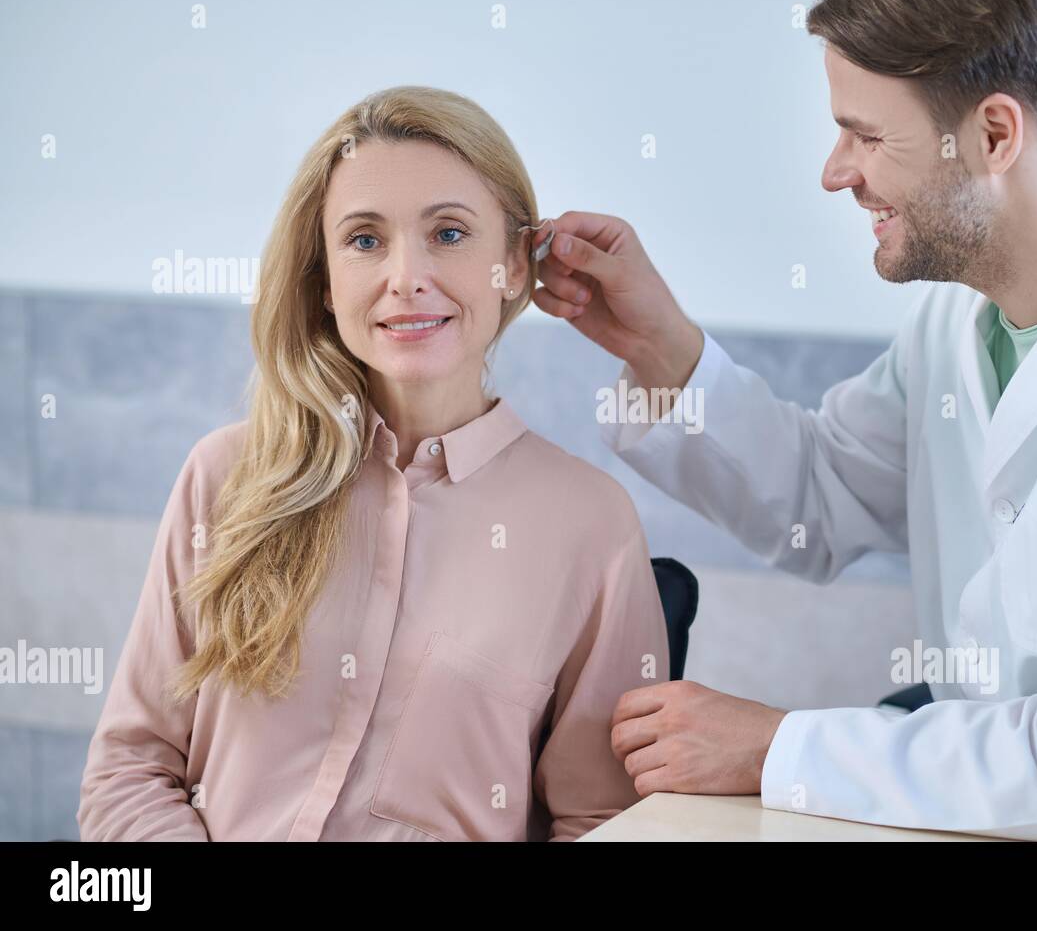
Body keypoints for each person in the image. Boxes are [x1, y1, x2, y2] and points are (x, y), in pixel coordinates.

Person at [530, 0, 1037, 840]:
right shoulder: (960, 312)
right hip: (974, 809)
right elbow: (821, 497)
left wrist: (780, 747)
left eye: (865, 135)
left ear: (995, 135)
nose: (835, 172)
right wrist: (659, 346)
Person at [78, 86, 670, 842]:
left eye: (449, 234)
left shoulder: (591, 524)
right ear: (325, 283)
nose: (405, 277)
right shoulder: (224, 478)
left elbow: (602, 823)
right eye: (364, 240)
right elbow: (131, 769)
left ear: (515, 266)